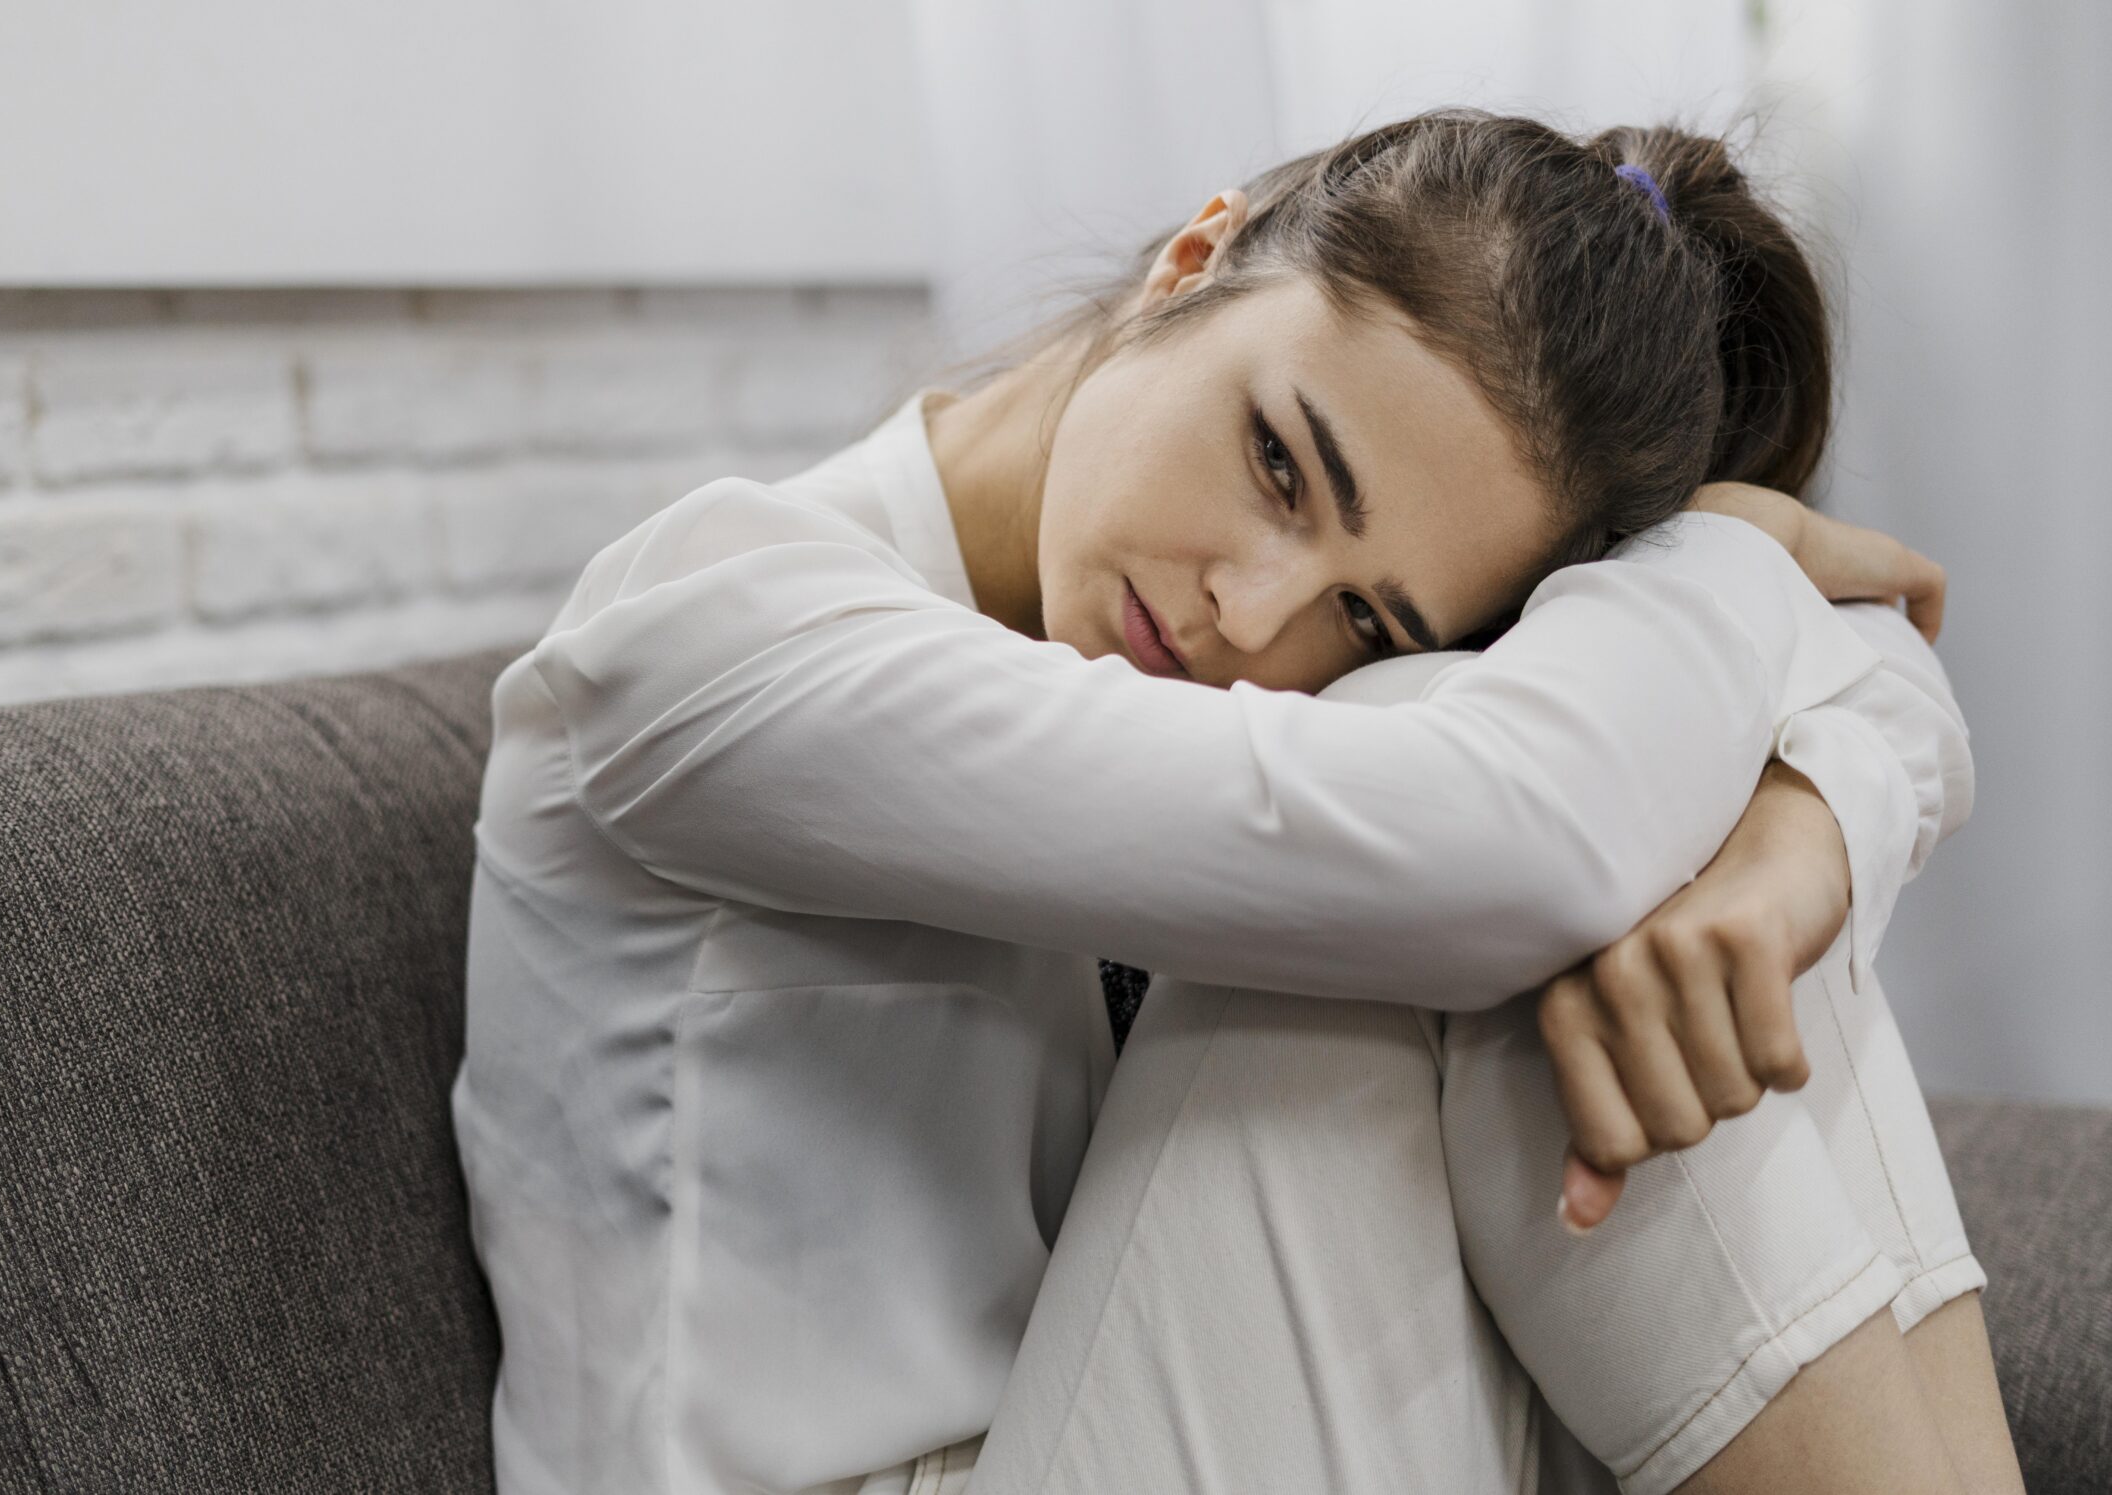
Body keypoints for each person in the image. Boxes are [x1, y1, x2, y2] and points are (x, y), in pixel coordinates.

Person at [447, 108, 2019, 1494]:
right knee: (1509, 905)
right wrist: (1729, 560)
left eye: (1366, 615)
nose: (1254, 623)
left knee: (1659, 896)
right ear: (1196, 259)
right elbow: (1514, 840)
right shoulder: (710, 629)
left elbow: (1835, 688)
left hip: (1156, 1415)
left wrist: (1797, 835)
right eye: (1279, 463)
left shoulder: (1231, 709)